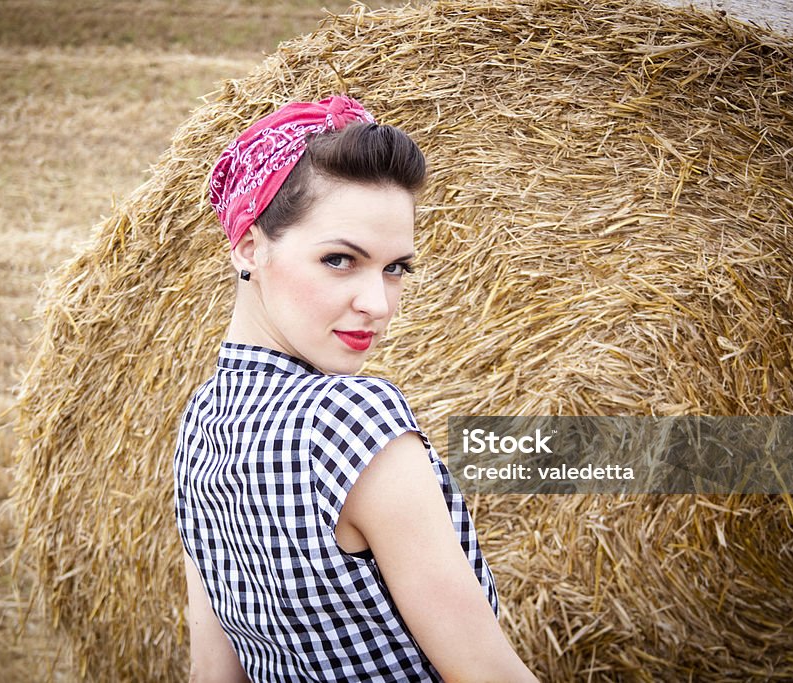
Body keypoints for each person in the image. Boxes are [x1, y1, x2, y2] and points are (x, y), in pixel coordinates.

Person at [172, 95, 538, 682]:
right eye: (340, 259)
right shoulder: (352, 418)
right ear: (249, 247)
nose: (379, 304)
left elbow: (213, 676)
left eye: (396, 268)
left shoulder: (201, 423)